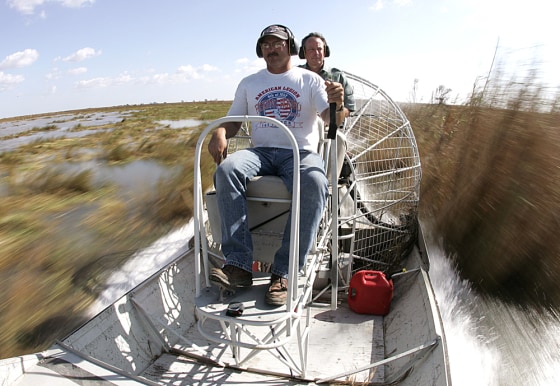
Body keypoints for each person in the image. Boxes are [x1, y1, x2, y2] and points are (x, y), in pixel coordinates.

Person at [207, 24, 345, 306]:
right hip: (261, 153)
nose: (272, 48)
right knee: (227, 170)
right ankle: (239, 265)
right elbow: (233, 121)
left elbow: (331, 119)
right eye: (266, 44)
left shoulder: (309, 80)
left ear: (290, 47)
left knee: (316, 183)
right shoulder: (249, 83)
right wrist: (219, 132)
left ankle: (283, 271)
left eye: (278, 43)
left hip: (300, 153)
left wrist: (337, 104)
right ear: (261, 50)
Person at [298, 32, 355, 115]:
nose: (316, 53)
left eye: (319, 49)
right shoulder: (295, 74)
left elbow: (350, 108)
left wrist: (337, 109)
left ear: (325, 52)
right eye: (311, 49)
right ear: (304, 53)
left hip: (329, 126)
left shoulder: (339, 77)